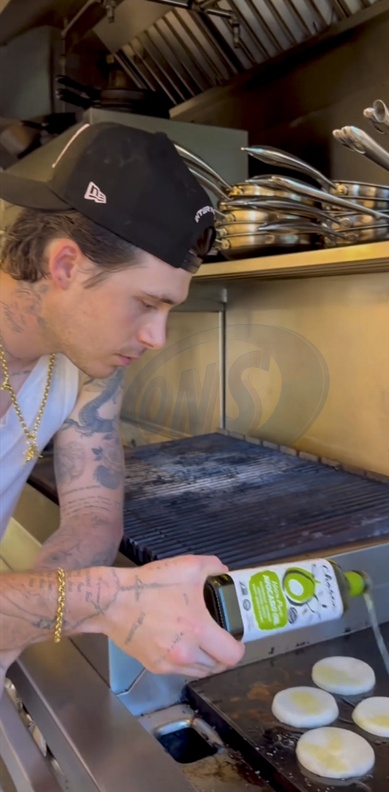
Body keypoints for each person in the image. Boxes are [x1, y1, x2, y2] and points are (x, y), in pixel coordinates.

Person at [0, 121, 245, 691]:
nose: (157, 338)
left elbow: (93, 516)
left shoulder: (84, 362)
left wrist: (22, 618)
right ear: (66, 266)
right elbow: (99, 598)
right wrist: (105, 601)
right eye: (146, 303)